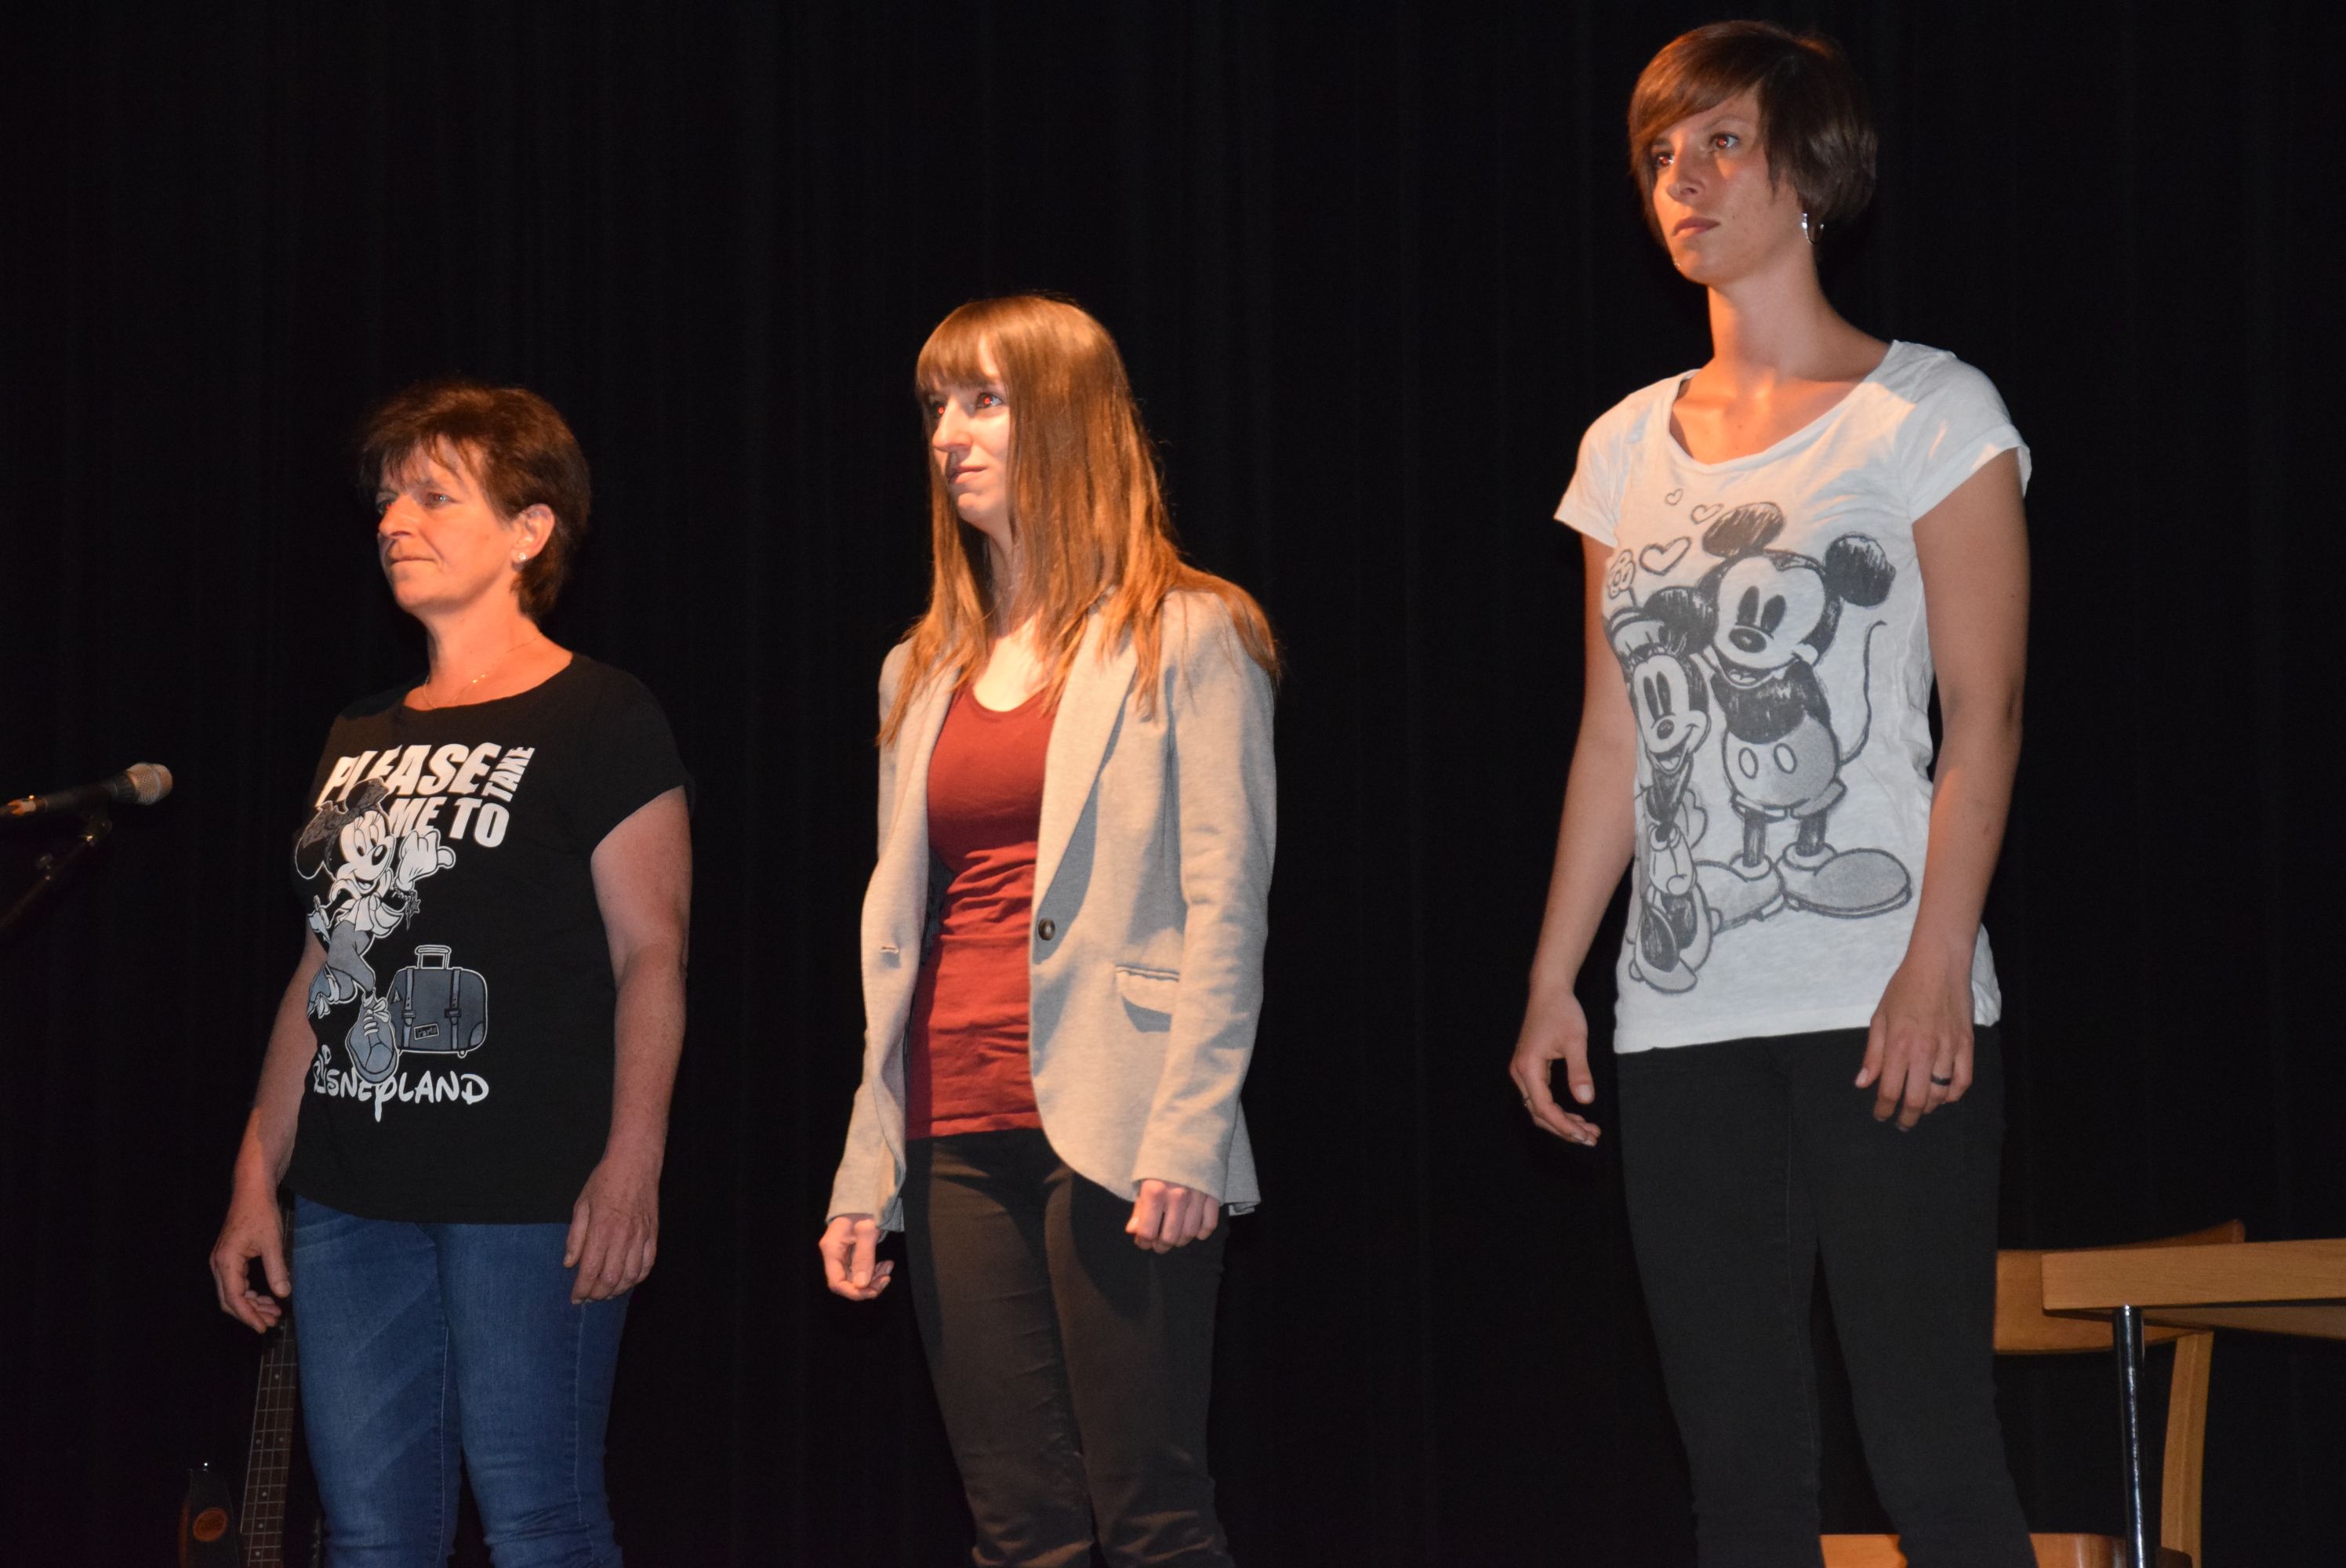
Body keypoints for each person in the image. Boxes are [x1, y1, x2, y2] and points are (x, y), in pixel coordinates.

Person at [1508, 22, 2035, 1568]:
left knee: (1929, 1451)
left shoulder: (1928, 412)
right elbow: (1614, 736)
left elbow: (1985, 716)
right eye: (1661, 154)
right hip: (1682, 1016)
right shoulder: (1624, 446)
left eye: (1721, 143)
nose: (1683, 178)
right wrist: (1554, 978)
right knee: (1738, 1479)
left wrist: (1934, 963)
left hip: (1883, 992)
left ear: (1809, 172)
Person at [819, 294, 1276, 1567]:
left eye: (985, 401)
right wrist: (866, 1168)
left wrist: (1191, 1129)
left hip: (1122, 1119)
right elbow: (897, 940)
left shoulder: (1191, 633)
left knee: (1153, 1516)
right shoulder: (919, 671)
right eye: (936, 407)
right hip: (948, 1126)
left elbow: (1227, 904)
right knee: (1017, 1527)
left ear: (1068, 418)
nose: (947, 436)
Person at [208, 381, 691, 1567]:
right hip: (349, 1196)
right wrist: (257, 1174)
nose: (394, 521)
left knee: (540, 1522)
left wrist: (634, 1160)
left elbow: (652, 952)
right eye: (386, 499)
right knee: (369, 1535)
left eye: (433, 495)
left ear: (531, 530)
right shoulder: (357, 734)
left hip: (527, 1193)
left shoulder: (601, 714)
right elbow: (322, 963)